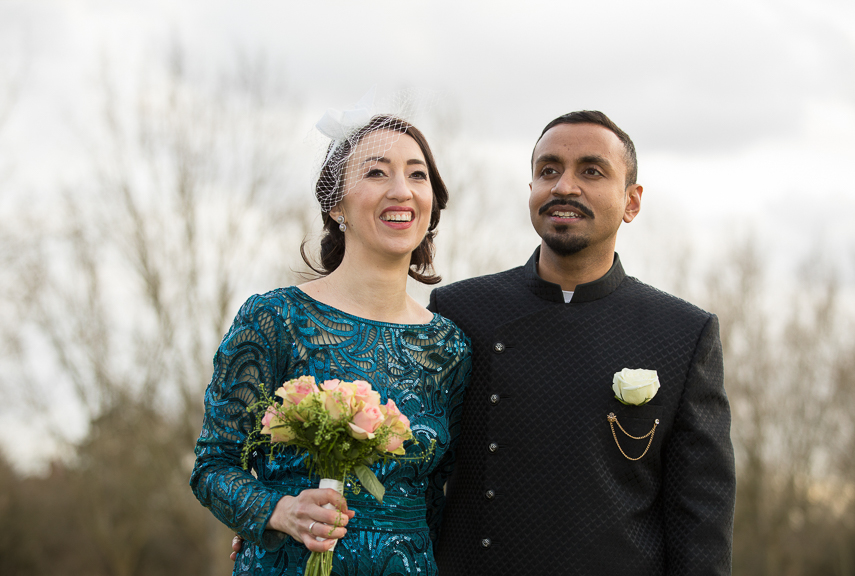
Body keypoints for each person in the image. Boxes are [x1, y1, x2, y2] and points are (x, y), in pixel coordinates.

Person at [428, 110, 735, 575]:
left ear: (631, 202)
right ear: (531, 190)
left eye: (591, 171)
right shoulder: (460, 312)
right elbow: (418, 477)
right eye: (548, 170)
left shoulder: (682, 333)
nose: (564, 186)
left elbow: (702, 521)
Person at [191, 113, 471, 576]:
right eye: (376, 172)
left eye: (416, 174)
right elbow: (213, 466)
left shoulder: (448, 347)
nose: (401, 189)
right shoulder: (275, 319)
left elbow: (442, 495)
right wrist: (277, 512)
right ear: (336, 205)